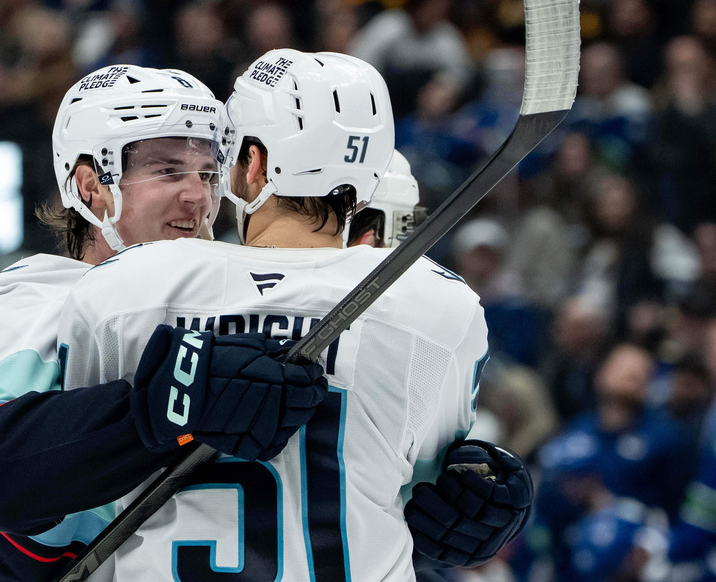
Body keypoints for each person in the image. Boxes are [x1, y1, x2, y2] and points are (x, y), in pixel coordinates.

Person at [56, 49, 532, 580]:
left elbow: (76, 479)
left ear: (253, 165)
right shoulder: (440, 305)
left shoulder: (125, 287)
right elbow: (429, 484)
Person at [0, 65, 327, 580]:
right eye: (168, 171)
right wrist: (162, 409)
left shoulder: (253, 287)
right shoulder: (33, 298)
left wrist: (434, 483)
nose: (199, 196)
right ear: (91, 187)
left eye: (209, 173)